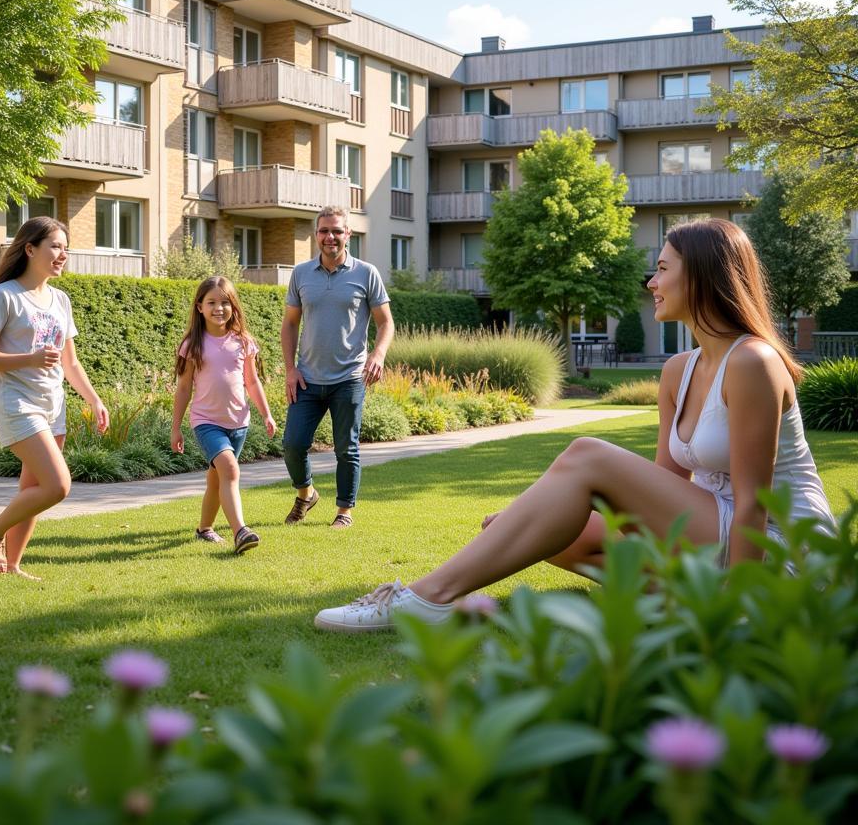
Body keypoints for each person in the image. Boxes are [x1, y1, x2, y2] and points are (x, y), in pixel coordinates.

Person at [315, 218, 835, 631]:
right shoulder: (679, 369)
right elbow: (660, 495)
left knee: (586, 455)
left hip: (775, 548)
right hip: (708, 533)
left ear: (699, 275)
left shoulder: (753, 362)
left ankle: (423, 598)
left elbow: (752, 502)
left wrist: (738, 608)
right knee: (523, 531)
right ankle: (669, 603)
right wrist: (543, 525)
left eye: (661, 268)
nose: (651, 283)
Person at [0, 216, 109, 578]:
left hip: (53, 405)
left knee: (32, 489)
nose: (63, 254)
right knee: (57, 485)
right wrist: (29, 359)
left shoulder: (60, 299)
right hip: (18, 402)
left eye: (66, 248)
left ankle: (13, 565)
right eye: (56, 246)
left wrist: (94, 399)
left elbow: (71, 363)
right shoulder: (4, 296)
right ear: (30, 248)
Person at [281, 205, 394, 529]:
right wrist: (291, 369)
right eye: (324, 231)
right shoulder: (301, 273)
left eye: (336, 231)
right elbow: (289, 324)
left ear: (348, 235)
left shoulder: (366, 273)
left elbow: (386, 322)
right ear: (316, 235)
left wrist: (378, 355)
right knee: (293, 444)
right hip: (307, 378)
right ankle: (306, 494)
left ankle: (344, 511)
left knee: (347, 448)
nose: (330, 237)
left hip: (349, 377)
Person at [171, 275, 276, 554]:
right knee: (229, 469)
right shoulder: (193, 345)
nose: (219, 308)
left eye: (225, 302)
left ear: (234, 306)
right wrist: (176, 427)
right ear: (199, 307)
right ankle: (240, 531)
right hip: (206, 422)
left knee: (217, 479)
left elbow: (252, 382)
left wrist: (266, 414)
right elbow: (183, 389)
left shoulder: (243, 341)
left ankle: (204, 528)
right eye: (212, 302)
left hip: (238, 423)